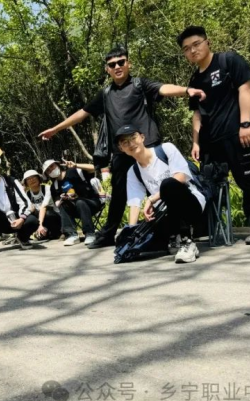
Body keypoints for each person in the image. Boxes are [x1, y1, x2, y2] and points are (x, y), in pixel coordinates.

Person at [38, 46, 206, 249]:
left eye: (121, 62)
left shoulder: (139, 84)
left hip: (147, 146)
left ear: (128, 64)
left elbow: (163, 88)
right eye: (112, 64)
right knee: (119, 194)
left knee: (164, 185)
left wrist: (187, 91)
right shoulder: (106, 93)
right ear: (107, 69)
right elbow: (83, 112)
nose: (117, 66)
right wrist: (56, 129)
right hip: (121, 151)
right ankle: (112, 234)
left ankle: (183, 228)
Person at [178, 26, 250, 245]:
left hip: (237, 134)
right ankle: (211, 229)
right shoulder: (194, 81)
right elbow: (196, 114)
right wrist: (195, 142)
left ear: (207, 42)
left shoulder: (228, 61)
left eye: (196, 44)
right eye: (186, 49)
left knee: (249, 179)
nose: (192, 51)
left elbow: (245, 89)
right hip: (211, 142)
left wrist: (246, 123)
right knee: (209, 184)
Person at [116, 124, 207, 263]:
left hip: (191, 205)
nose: (131, 144)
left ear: (142, 137)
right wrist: (132, 236)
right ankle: (173, 239)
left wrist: (151, 199)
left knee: (168, 184)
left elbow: (181, 176)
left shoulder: (165, 149)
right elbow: (134, 204)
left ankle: (187, 242)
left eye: (133, 138)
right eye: (125, 142)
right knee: (141, 244)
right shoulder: (133, 172)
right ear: (121, 148)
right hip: (166, 214)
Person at [42, 160, 102, 246]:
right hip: (75, 210)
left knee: (80, 202)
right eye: (48, 170)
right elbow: (57, 203)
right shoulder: (54, 186)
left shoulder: (74, 171)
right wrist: (63, 198)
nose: (51, 170)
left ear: (58, 165)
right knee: (63, 204)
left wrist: (76, 165)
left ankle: (90, 234)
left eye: (52, 166)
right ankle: (71, 235)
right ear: (47, 175)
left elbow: (94, 168)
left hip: (92, 204)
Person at [21, 170, 61, 241]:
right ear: (26, 183)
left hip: (53, 216)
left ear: (39, 179)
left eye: (33, 177)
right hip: (40, 218)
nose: (31, 180)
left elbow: (44, 206)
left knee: (47, 213)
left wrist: (40, 225)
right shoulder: (28, 194)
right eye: (28, 179)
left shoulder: (47, 188)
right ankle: (43, 233)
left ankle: (57, 232)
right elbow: (29, 209)